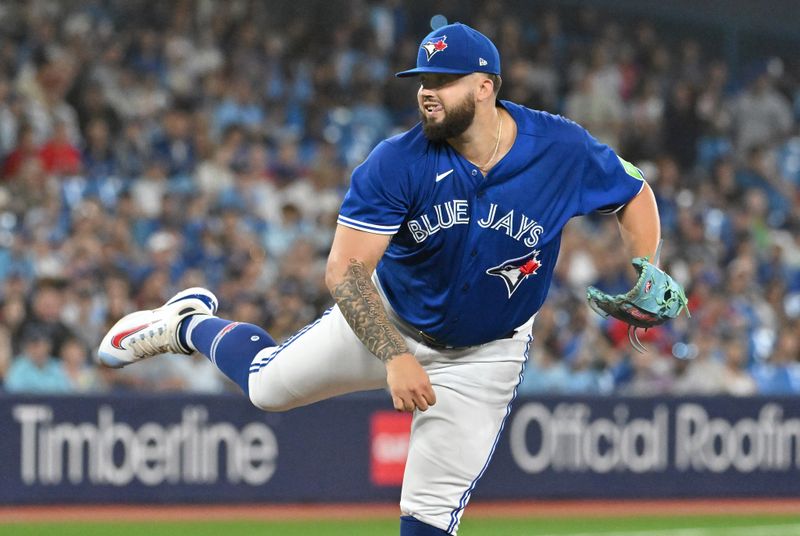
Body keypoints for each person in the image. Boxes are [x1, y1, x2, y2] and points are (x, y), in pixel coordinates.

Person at [98, 23, 662, 535]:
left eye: (444, 79)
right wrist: (393, 355)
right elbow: (345, 271)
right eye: (421, 79)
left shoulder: (558, 148)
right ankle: (187, 324)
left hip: (486, 354)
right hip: (385, 317)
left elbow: (633, 194)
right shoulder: (397, 161)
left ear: (486, 86)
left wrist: (645, 270)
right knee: (267, 390)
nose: (426, 91)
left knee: (431, 512)